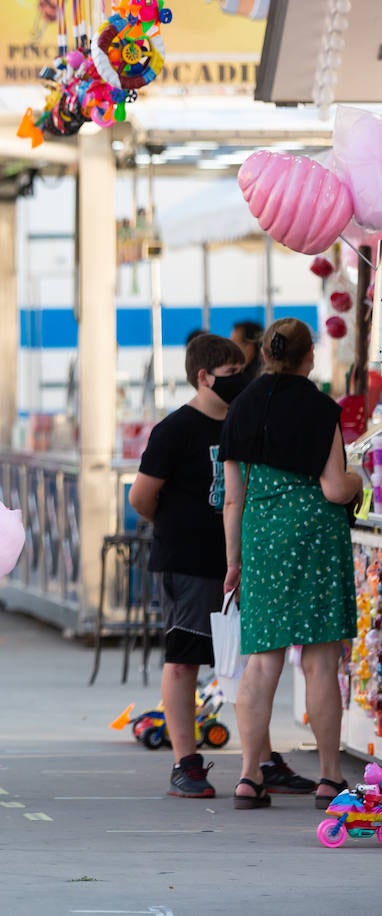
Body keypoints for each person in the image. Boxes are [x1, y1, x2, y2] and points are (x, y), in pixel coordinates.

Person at [221, 317, 362, 810]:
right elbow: (333, 488)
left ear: (264, 355)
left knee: (262, 662)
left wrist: (233, 560)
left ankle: (248, 777)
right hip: (315, 538)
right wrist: (360, 477)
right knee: (322, 660)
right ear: (310, 358)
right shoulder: (323, 409)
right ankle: (327, 778)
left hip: (261, 539)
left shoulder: (239, 408)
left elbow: (232, 499)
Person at [130, 335, 254, 798]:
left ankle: (257, 760)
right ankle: (186, 759)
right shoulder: (175, 430)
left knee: (245, 663)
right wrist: (178, 523)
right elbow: (141, 497)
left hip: (241, 561)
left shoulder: (243, 425)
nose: (241, 382)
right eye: (231, 374)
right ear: (203, 377)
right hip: (188, 561)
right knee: (184, 660)